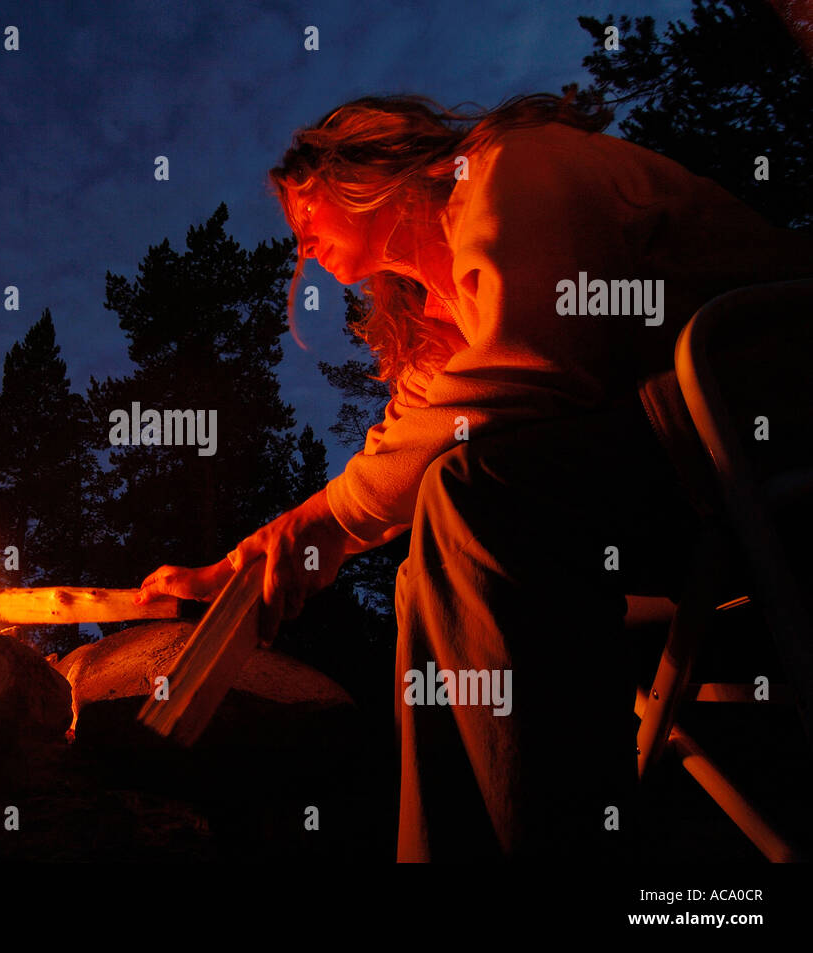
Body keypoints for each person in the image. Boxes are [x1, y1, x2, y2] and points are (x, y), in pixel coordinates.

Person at [135, 92, 813, 860]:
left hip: (769, 411)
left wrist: (317, 526)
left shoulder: (517, 166)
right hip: (680, 492)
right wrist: (242, 566)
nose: (300, 245)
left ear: (363, 164)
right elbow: (395, 465)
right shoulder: (439, 322)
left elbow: (533, 363)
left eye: (306, 206)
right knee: (432, 557)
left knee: (474, 496)